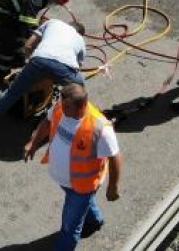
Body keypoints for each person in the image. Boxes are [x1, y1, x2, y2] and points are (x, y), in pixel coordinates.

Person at [23, 83, 123, 251]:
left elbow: (115, 156)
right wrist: (33, 143)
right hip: (65, 181)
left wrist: (113, 186)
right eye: (62, 104)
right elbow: (47, 122)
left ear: (81, 106)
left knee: (70, 227)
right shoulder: (61, 107)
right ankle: (95, 220)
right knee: (80, 206)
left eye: (66, 106)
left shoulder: (100, 128)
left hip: (82, 188)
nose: (61, 108)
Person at [0, 17, 86, 129]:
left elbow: (28, 46)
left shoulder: (53, 22)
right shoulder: (80, 40)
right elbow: (77, 67)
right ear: (79, 33)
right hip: (64, 68)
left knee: (12, 93)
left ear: (68, 23)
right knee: (79, 91)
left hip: (39, 60)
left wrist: (31, 65)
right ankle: (74, 124)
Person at [0, 0, 73, 73]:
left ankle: (17, 56)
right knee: (7, 43)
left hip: (9, 5)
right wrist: (40, 42)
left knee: (20, 30)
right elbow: (28, 28)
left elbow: (26, 23)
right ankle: (1, 71)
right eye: (57, 2)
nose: (55, 5)